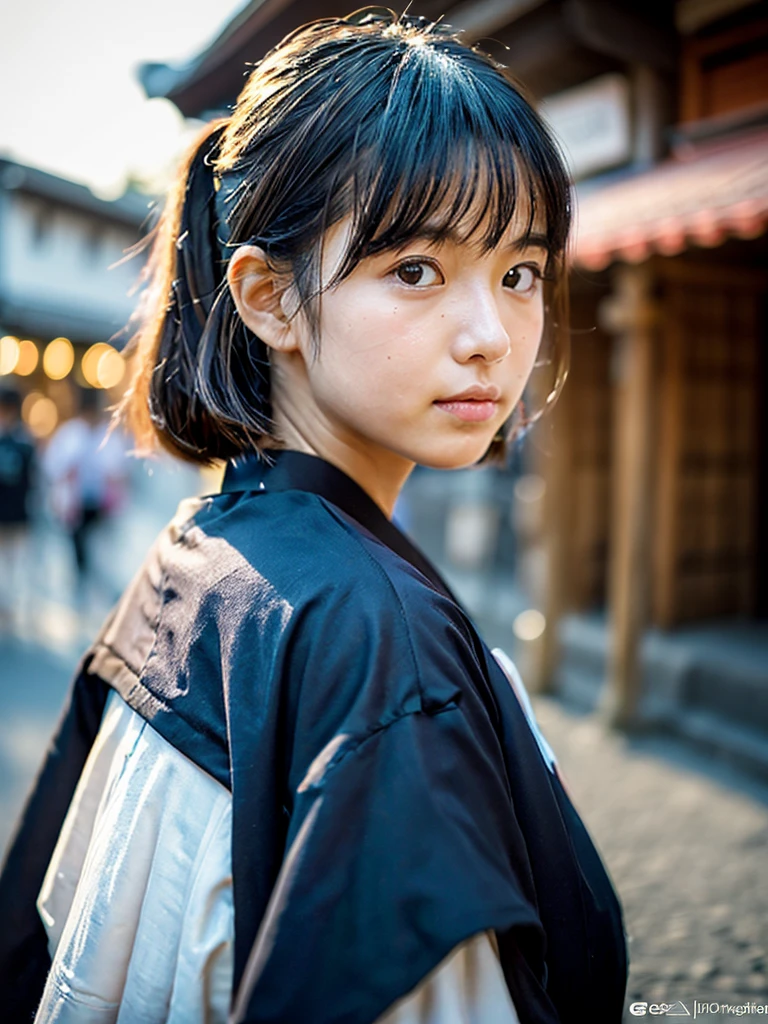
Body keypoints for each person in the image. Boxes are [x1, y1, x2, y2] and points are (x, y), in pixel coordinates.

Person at [0, 10, 628, 1023]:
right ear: (267, 297)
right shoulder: (379, 640)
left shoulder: (208, 550)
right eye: (415, 269)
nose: (489, 337)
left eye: (520, 271)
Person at [43, 386, 128, 603]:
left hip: (101, 503)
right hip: (76, 502)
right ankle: (81, 585)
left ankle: (99, 589)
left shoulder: (107, 435)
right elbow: (54, 467)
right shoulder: (70, 434)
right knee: (78, 546)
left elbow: (119, 470)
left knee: (101, 548)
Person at [0, 384, 36, 630]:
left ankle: (9, 605)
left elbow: (32, 481)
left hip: (17, 513)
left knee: (13, 562)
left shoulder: (24, 442)